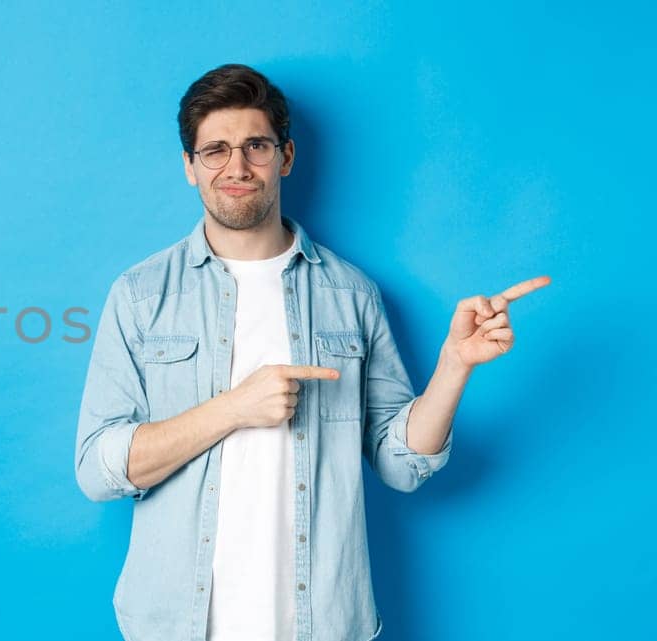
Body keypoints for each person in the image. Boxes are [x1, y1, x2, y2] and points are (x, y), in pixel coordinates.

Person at [73, 63, 549, 641]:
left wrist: (454, 365)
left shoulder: (351, 295)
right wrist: (234, 407)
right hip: (176, 624)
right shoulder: (141, 295)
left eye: (256, 146)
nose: (237, 167)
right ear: (189, 168)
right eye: (215, 150)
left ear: (286, 156)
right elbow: (98, 468)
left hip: (322, 622)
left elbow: (401, 466)